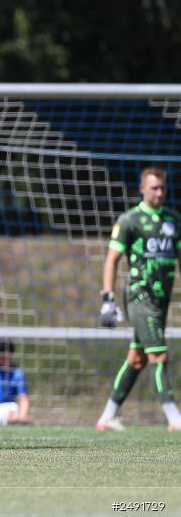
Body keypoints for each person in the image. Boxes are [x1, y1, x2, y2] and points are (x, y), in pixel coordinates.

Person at [96, 166, 181, 432]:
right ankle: (174, 418)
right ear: (142, 189)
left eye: (162, 188)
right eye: (154, 188)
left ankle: (107, 417)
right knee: (159, 356)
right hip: (139, 296)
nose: (159, 193)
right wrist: (108, 298)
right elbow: (112, 259)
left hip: (161, 300)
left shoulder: (173, 219)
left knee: (137, 359)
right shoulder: (130, 220)